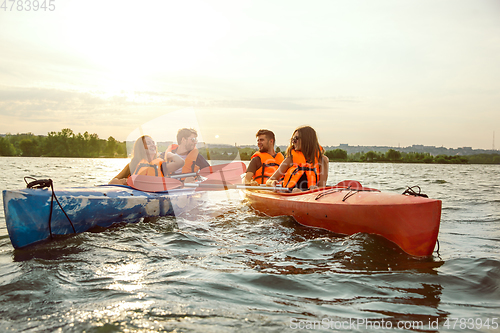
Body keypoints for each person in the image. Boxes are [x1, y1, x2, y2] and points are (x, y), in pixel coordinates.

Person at [266, 126, 329, 192]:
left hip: (310, 195)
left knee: (297, 190)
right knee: (295, 190)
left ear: (307, 139)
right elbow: (269, 181)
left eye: (296, 138)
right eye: (293, 139)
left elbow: (322, 187)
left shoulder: (323, 160)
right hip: (290, 193)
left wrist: (316, 189)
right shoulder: (290, 159)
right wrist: (271, 183)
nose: (293, 141)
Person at [109, 135, 184, 185]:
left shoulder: (161, 166)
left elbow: (180, 162)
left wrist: (168, 154)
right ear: (141, 148)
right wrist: (125, 181)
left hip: (155, 194)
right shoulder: (132, 165)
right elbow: (111, 183)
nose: (153, 145)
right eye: (148, 143)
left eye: (153, 143)